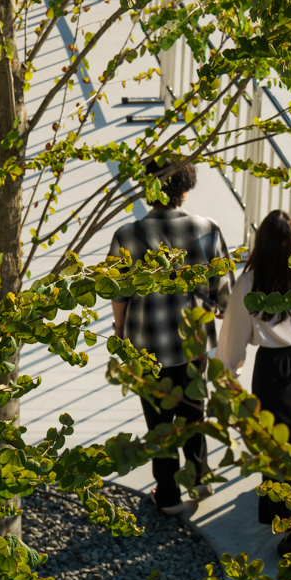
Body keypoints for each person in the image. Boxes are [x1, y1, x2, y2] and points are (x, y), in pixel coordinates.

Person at [110, 160, 231, 517]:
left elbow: (118, 293)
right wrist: (218, 305)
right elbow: (223, 290)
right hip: (193, 343)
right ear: (186, 190)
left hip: (147, 345)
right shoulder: (207, 229)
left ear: (148, 189)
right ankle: (199, 478)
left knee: (159, 423)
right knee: (194, 412)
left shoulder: (127, 235)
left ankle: (168, 495)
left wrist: (120, 329)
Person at [217, 208, 291, 560]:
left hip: (272, 369)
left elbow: (233, 340)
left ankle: (288, 528)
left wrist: (228, 378)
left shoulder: (250, 283)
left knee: (275, 446)